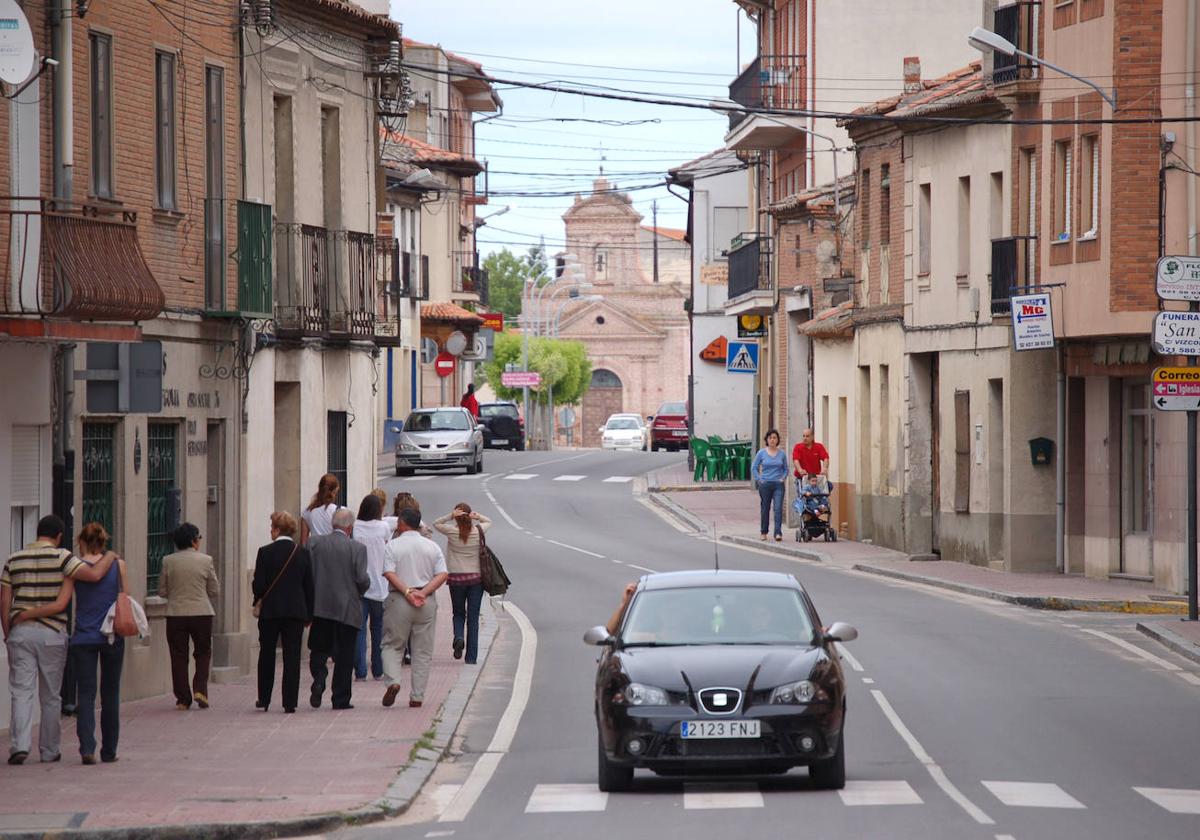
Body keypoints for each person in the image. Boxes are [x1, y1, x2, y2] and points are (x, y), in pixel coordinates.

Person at [2, 515, 118, 765]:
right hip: (52, 632)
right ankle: (49, 749)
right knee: (51, 694)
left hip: (20, 631)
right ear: (58, 537)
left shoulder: (13, 559)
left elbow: (4, 601)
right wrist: (110, 556)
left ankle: (19, 746)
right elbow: (94, 575)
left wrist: (7, 633)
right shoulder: (63, 557)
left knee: (21, 691)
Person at [380, 508, 448, 709]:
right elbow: (443, 574)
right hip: (425, 602)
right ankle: (417, 695)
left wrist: (408, 592)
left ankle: (393, 681)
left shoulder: (393, 546)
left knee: (392, 645)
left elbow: (389, 573)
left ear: (401, 523)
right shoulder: (432, 546)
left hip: (399, 600)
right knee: (423, 650)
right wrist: (423, 592)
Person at [307, 508, 370, 710]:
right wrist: (363, 587)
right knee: (344, 655)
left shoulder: (314, 543)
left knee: (318, 649)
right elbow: (361, 579)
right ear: (350, 528)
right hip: (347, 608)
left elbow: (308, 573)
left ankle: (319, 676)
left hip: (321, 607)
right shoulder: (357, 548)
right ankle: (340, 698)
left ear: (332, 525)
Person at [253, 512, 313, 713]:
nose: (270, 530)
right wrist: (309, 614)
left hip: (270, 612)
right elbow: (309, 586)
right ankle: (290, 701)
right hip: (295, 611)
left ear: (278, 529)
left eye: (272, 526)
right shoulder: (302, 553)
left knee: (267, 654)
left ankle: (264, 697)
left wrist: (259, 598)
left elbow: (259, 585)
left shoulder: (264, 552)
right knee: (292, 656)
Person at [158, 523, 219, 711]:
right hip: (201, 613)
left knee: (178, 655)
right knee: (203, 652)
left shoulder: (168, 561)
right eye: (199, 538)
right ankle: (200, 689)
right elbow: (214, 590)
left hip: (176, 614)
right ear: (194, 541)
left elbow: (162, 590)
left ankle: (183, 698)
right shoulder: (206, 560)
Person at [432, 503, 491, 665]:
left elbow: (436, 524)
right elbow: (489, 521)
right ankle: (471, 657)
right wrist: (478, 517)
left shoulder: (451, 531)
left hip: (456, 579)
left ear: (457, 517)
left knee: (458, 613)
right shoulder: (478, 531)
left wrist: (450, 516)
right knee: (473, 618)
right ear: (470, 515)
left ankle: (458, 636)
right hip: (476, 581)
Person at [352, 494, 391, 681]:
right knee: (378, 630)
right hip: (380, 586)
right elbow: (387, 548)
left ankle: (360, 671)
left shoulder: (355, 528)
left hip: (359, 585)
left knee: (359, 630)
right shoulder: (383, 528)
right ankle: (378, 669)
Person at [752, 429, 789, 541]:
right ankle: (763, 532)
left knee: (778, 509)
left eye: (774, 438)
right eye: (770, 438)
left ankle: (778, 533)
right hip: (765, 484)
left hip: (778, 485)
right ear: (767, 440)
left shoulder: (781, 454)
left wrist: (783, 478)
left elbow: (786, 469)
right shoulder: (761, 453)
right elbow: (754, 467)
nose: (772, 440)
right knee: (765, 508)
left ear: (777, 440)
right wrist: (759, 479)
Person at [300, 473, 341, 546]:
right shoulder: (340, 511)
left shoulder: (307, 512)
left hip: (315, 552)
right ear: (334, 491)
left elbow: (303, 542)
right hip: (334, 551)